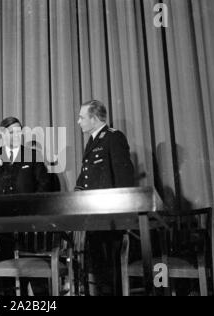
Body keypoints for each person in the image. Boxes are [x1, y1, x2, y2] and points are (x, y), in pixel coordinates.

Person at [0, 117, 52, 295]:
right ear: (2, 134)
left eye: (19, 131)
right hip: (3, 224)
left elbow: (44, 186)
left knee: (33, 272)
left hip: (29, 225)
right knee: (7, 267)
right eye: (12, 132)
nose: (17, 135)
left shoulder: (32, 155)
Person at [76, 100, 135, 295]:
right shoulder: (92, 141)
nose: (78, 121)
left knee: (111, 267)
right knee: (100, 268)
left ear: (93, 118)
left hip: (111, 217)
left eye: (82, 117)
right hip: (94, 215)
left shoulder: (113, 137)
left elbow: (124, 178)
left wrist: (121, 216)